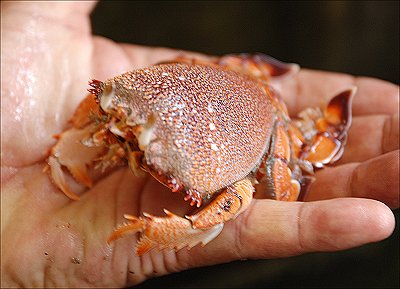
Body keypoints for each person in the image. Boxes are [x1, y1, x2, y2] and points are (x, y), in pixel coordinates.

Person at [1, 2, 398, 287]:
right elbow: (106, 100)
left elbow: (235, 200)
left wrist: (181, 225)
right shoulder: (180, 70)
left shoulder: (272, 134)